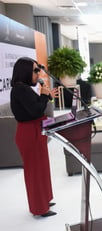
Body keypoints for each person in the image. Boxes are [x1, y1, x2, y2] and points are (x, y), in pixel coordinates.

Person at [10, 57, 59, 217]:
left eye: (39, 70)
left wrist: (46, 95)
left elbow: (35, 106)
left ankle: (44, 200)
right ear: (25, 71)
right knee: (35, 172)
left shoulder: (24, 88)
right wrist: (45, 96)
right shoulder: (20, 89)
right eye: (36, 70)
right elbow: (35, 111)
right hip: (30, 134)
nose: (38, 74)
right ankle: (39, 208)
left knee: (42, 168)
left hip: (36, 131)